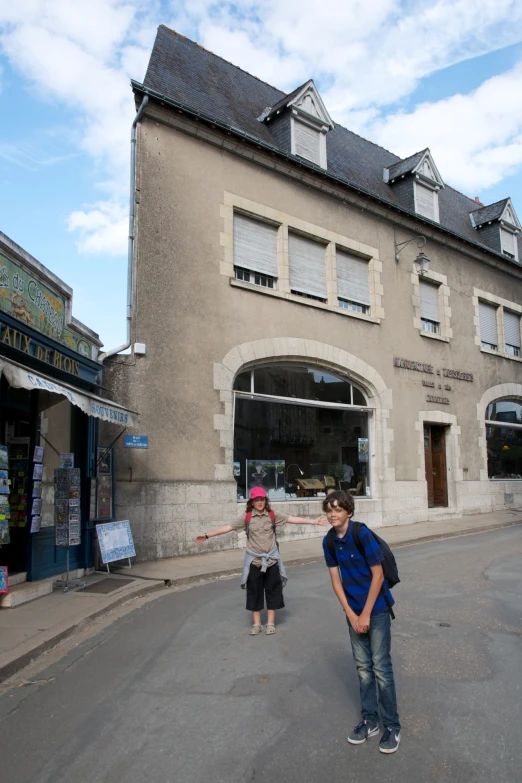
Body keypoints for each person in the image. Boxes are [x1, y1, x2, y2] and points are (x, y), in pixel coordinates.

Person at [322, 490, 401, 754]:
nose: (333, 514)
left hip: (375, 609)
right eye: (329, 510)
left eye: (338, 509)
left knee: (380, 667)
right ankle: (371, 720)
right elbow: (336, 581)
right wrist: (351, 614)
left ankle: (391, 725)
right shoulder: (329, 542)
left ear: (349, 512)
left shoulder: (361, 534)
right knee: (363, 668)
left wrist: (365, 614)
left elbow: (378, 575)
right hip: (353, 611)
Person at [195, 487, 327, 635]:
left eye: (262, 499)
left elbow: (292, 519)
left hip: (271, 561)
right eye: (256, 500)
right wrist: (207, 535)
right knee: (254, 592)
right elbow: (228, 527)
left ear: (265, 500)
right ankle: (257, 624)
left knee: (273, 591)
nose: (259, 502)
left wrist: (314, 522)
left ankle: (270, 623)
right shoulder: (246, 517)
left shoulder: (272, 514)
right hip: (254, 561)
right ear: (252, 502)